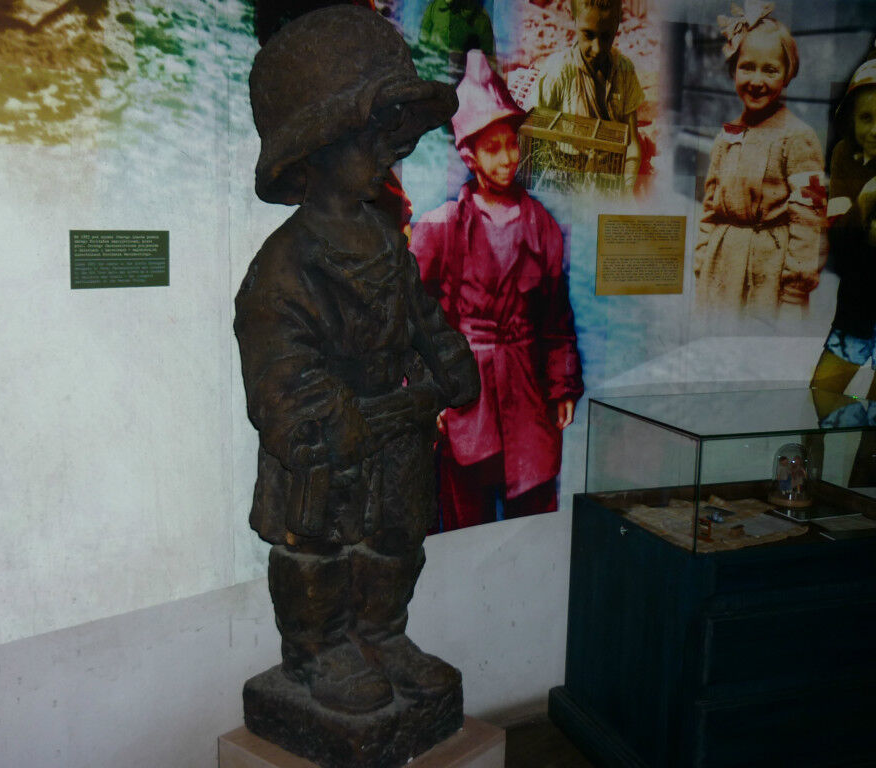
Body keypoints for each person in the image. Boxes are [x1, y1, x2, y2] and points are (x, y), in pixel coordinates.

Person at [236, 6, 480, 718]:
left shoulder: (384, 241)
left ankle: (382, 634)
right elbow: (277, 367)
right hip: (326, 447)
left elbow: (420, 314)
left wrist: (448, 358)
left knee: (397, 538)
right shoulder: (286, 265)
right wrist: (319, 418)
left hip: (393, 433)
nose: (387, 151)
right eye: (369, 137)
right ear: (314, 152)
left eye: (390, 136)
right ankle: (317, 650)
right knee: (317, 549)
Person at [412, 50, 583, 531]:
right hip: (466, 401)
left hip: (528, 398)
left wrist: (562, 384)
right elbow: (414, 323)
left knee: (534, 520)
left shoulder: (542, 226)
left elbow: (556, 318)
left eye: (512, 144)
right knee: (466, 525)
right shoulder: (441, 228)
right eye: (493, 148)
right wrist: (427, 394)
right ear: (469, 155)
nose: (508, 158)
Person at [694, 2, 825, 318]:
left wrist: (794, 291)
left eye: (770, 70)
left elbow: (809, 219)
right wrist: (702, 260)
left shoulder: (798, 137)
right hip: (720, 273)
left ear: (787, 74)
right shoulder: (728, 134)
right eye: (747, 67)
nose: (757, 80)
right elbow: (710, 206)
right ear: (733, 70)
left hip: (767, 279)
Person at [810, 57, 876, 485]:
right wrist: (865, 213)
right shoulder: (844, 157)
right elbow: (844, 243)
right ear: (850, 119)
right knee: (820, 398)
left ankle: (863, 495)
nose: (875, 129)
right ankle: (808, 487)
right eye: (866, 118)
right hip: (857, 309)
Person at [535, 0, 644, 191]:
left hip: (611, 179)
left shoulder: (625, 71)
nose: (597, 48)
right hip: (566, 179)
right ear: (573, 18)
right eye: (588, 35)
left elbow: (632, 144)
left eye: (606, 36)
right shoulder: (558, 72)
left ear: (618, 23)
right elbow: (533, 139)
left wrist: (627, 189)